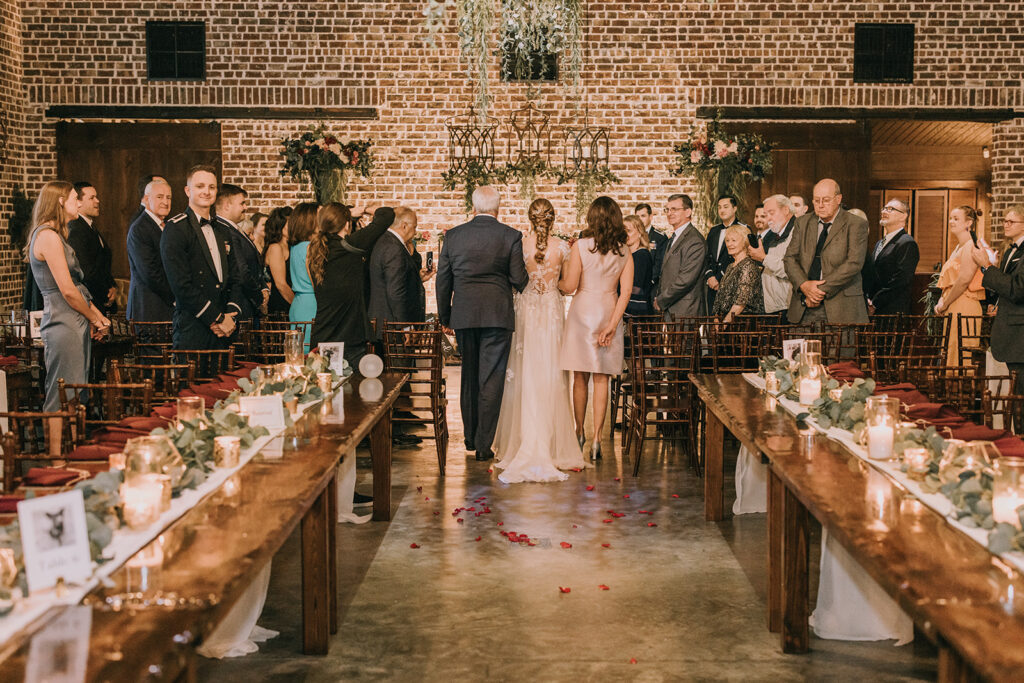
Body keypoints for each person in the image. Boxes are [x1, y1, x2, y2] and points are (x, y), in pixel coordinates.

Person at [494, 198, 586, 482]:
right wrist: (552, 287)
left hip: (525, 312)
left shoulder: (518, 245)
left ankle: (522, 441)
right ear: (552, 218)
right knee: (551, 374)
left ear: (530, 218)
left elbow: (512, 280)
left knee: (525, 373)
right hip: (551, 313)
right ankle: (552, 443)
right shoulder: (563, 247)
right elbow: (569, 287)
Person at [436, 186, 529, 462]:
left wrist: (445, 316)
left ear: (473, 208)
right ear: (498, 209)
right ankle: (484, 445)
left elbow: (443, 280)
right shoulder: (511, 236)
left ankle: (469, 436)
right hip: (497, 315)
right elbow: (518, 279)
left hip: (464, 315)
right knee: (491, 378)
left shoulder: (453, 236)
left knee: (469, 375)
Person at [27, 181, 110, 417]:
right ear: (61, 201)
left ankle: (70, 449)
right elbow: (68, 291)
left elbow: (77, 286)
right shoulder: (47, 237)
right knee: (62, 394)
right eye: (75, 198)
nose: (79, 203)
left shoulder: (57, 236)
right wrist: (95, 316)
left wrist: (97, 316)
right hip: (63, 321)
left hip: (74, 319)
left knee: (76, 394)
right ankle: (56, 454)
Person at [559, 196, 634, 460]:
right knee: (602, 379)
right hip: (608, 311)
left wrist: (555, 278)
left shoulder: (581, 246)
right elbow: (626, 292)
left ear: (592, 218)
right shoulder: (625, 250)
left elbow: (569, 286)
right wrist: (613, 325)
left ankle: (579, 432)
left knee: (580, 378)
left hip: (582, 313)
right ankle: (598, 439)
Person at [161, 164, 242, 349]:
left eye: (211, 187)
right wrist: (217, 318)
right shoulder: (176, 228)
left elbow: (236, 278)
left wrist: (230, 315)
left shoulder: (223, 230)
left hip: (225, 331)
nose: (206, 191)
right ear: (187, 191)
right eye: (200, 186)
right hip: (193, 328)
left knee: (226, 378)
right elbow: (181, 286)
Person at [309, 202, 394, 366]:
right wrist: (362, 209)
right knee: (352, 388)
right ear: (346, 224)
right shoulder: (349, 245)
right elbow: (387, 214)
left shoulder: (315, 250)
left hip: (323, 333)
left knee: (327, 387)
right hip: (349, 336)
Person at [783, 178, 869, 325]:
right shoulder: (802, 222)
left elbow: (854, 263)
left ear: (838, 199)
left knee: (838, 349)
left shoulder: (856, 224)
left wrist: (817, 291)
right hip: (803, 306)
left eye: (826, 200)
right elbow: (790, 258)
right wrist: (804, 286)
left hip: (842, 309)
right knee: (802, 348)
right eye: (817, 200)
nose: (821, 205)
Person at [972, 205, 1024, 394]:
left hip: (1020, 335)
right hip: (1010, 330)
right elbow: (1006, 287)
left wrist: (986, 266)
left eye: (1012, 221)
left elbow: (1018, 289)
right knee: (1016, 397)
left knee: (1020, 398)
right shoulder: (1010, 250)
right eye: (1005, 221)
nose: (1006, 225)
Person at [936, 206, 985, 364]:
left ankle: (960, 388)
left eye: (956, 219)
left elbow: (964, 279)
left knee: (961, 353)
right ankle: (950, 387)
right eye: (950, 218)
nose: (951, 221)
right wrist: (941, 301)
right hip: (953, 303)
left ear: (968, 223)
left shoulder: (971, 245)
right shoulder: (958, 247)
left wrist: (945, 303)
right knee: (950, 351)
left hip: (965, 303)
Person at [216, 184, 268, 328]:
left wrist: (264, 288)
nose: (245, 207)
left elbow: (254, 265)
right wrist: (259, 298)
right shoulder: (226, 231)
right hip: (241, 304)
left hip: (248, 302)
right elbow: (242, 271)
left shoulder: (234, 229)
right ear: (227, 206)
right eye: (242, 203)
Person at [367, 207, 425, 333]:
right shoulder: (394, 248)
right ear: (404, 226)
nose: (415, 232)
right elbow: (396, 292)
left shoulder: (385, 241)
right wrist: (405, 327)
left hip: (385, 323)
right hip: (392, 327)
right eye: (414, 227)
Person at [126, 178, 175, 322]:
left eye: (169, 197)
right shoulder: (140, 228)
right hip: (148, 309)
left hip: (163, 307)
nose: (165, 202)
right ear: (147, 200)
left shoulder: (166, 225)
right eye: (160, 197)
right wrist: (177, 296)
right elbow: (150, 273)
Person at [67, 181, 117, 315]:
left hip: (100, 299)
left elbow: (102, 262)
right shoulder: (76, 229)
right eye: (92, 198)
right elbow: (86, 271)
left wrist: (111, 285)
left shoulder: (89, 226)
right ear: (78, 202)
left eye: (96, 197)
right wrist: (105, 290)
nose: (97, 201)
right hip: (90, 301)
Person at [862, 199, 919, 315]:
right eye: (884, 208)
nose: (884, 211)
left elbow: (900, 280)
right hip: (876, 309)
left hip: (893, 311)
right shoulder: (879, 243)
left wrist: (875, 302)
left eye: (890, 209)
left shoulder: (907, 243)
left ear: (903, 216)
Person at [654, 193, 705, 319]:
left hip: (684, 311)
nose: (669, 213)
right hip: (670, 309)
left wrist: (661, 300)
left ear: (688, 212)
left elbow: (685, 280)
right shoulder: (675, 237)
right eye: (667, 209)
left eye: (674, 209)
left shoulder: (694, 240)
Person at [748, 194, 797, 315]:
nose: (768, 218)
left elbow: (791, 269)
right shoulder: (778, 232)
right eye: (766, 214)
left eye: (771, 213)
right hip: (775, 305)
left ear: (786, 210)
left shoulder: (796, 232)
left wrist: (763, 258)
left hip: (786, 305)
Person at [703, 195, 747, 312]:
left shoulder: (743, 229)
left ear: (735, 208)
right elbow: (707, 257)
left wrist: (719, 278)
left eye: (726, 207)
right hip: (712, 285)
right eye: (719, 207)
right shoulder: (713, 230)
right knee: (713, 323)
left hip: (731, 284)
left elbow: (743, 257)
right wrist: (709, 276)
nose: (722, 210)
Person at [712, 225, 764, 322]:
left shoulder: (749, 266)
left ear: (744, 242)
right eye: (727, 241)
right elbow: (720, 297)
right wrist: (716, 319)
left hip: (741, 325)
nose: (729, 244)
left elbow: (741, 302)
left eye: (733, 240)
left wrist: (724, 324)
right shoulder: (730, 266)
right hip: (725, 322)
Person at [288, 202, 319, 350]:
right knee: (310, 352)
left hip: (299, 302)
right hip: (311, 304)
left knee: (298, 350)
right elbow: (315, 282)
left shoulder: (296, 246)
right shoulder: (310, 247)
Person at [263, 207, 293, 317]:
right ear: (280, 225)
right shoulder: (276, 248)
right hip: (282, 307)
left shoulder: (290, 246)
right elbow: (281, 284)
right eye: (290, 223)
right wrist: (298, 305)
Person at [623, 214, 654, 315]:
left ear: (640, 233)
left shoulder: (642, 255)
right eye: (623, 231)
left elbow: (636, 288)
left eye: (629, 231)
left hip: (637, 314)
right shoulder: (626, 255)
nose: (625, 234)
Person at [636, 202, 667, 290]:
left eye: (643, 216)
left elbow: (660, 262)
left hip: (652, 284)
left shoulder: (659, 237)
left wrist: (650, 281)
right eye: (637, 217)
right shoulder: (631, 235)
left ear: (650, 217)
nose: (640, 220)